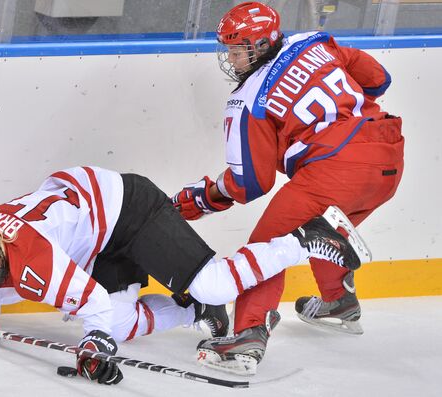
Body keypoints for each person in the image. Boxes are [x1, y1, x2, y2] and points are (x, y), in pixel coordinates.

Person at [0, 166, 367, 385]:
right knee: (122, 324)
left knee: (211, 281)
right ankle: (199, 311)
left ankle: (305, 237)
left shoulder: (31, 256)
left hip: (129, 208)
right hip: (94, 235)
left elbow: (92, 304)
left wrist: (94, 341)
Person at [171, 2, 404, 376]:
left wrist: (201, 198)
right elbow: (378, 80)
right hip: (388, 154)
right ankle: (338, 301)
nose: (230, 57)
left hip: (336, 167)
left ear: (262, 44)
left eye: (237, 48)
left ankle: (248, 333)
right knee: (319, 230)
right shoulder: (313, 42)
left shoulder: (249, 97)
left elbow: (250, 183)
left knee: (269, 246)